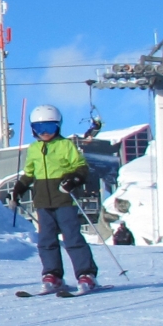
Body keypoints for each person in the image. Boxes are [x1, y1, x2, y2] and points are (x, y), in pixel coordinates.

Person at [7, 104, 98, 294]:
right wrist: (17, 190)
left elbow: (81, 167)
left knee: (72, 238)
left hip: (64, 199)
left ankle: (86, 274)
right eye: (40, 129)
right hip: (42, 201)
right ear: (33, 129)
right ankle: (53, 275)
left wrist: (73, 180)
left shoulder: (65, 145)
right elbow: (29, 173)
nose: (45, 133)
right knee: (46, 240)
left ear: (58, 127)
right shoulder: (33, 149)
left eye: (50, 128)